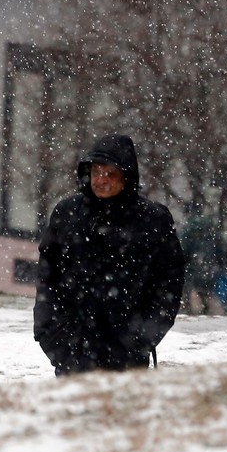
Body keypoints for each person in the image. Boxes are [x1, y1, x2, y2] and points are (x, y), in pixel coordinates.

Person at [33, 133, 186, 376]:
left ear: (126, 177)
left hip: (128, 356)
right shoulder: (68, 214)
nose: (101, 180)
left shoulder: (152, 220)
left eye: (110, 173)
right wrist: (51, 334)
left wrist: (142, 337)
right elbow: (48, 278)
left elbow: (168, 282)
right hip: (73, 350)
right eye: (96, 171)